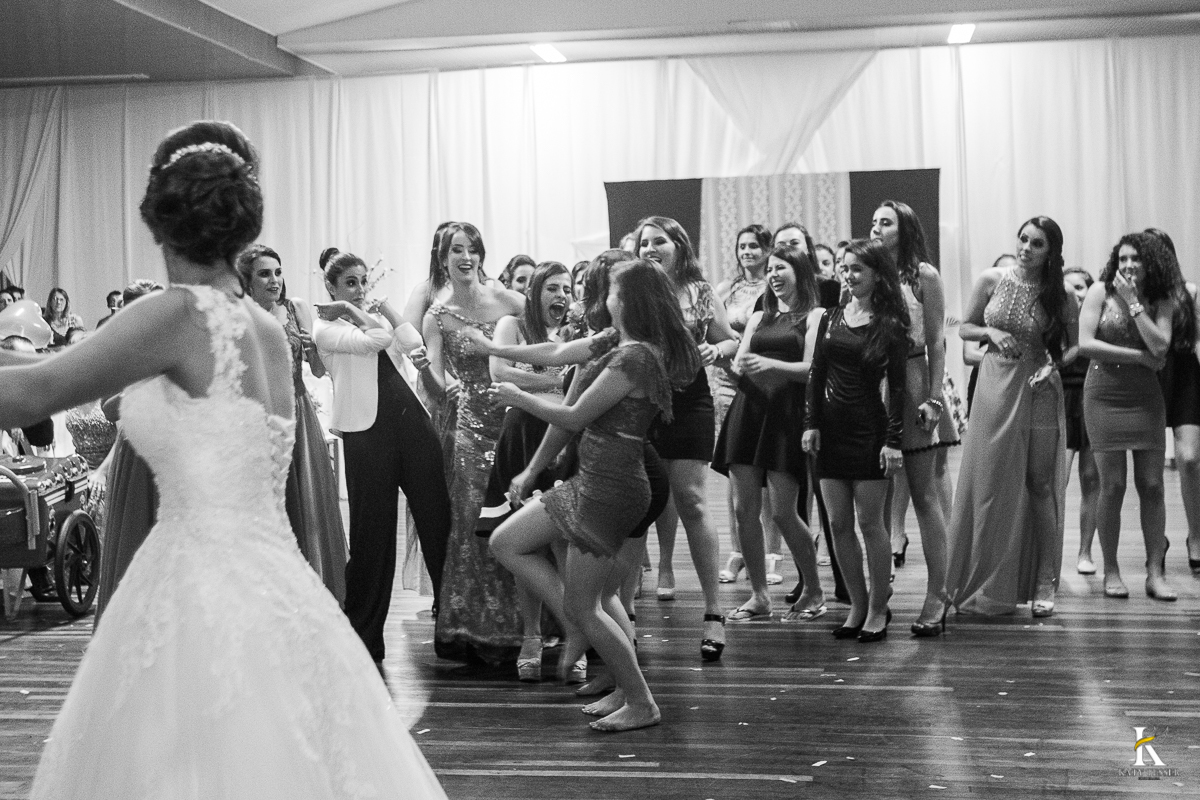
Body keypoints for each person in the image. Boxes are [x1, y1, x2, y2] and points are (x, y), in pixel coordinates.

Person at [4, 120, 447, 798]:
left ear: (159, 219)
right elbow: (45, 364)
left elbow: (35, 389)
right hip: (275, 578)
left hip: (196, 587)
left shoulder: (177, 316)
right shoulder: (261, 325)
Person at [489, 258, 701, 732]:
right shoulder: (618, 343)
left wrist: (518, 397)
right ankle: (612, 671)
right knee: (506, 543)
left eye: (610, 292)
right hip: (594, 482)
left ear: (626, 302)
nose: (602, 298)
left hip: (612, 490)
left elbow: (574, 416)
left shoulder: (637, 357)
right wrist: (491, 347)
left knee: (590, 606)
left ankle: (640, 700)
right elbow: (557, 354)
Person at [314, 246, 453, 666]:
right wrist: (354, 312)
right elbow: (376, 341)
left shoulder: (372, 316)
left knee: (437, 521)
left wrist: (386, 307)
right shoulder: (323, 328)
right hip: (364, 434)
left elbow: (410, 342)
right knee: (372, 538)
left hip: (412, 424)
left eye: (362, 282)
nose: (358, 290)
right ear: (332, 288)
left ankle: (456, 629)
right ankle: (364, 638)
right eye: (349, 284)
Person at [945, 216, 1075, 618]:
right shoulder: (991, 279)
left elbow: (1075, 346)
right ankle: (981, 578)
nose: (1026, 248)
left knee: (1038, 485)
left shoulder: (1062, 293)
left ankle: (1044, 581)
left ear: (1050, 251)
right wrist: (990, 333)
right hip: (994, 384)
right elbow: (964, 327)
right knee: (987, 480)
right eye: (1023, 239)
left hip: (1037, 387)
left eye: (1037, 244)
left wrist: (1053, 367)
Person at [422, 222, 527, 664]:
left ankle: (531, 625)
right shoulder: (437, 314)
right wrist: (441, 381)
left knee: (517, 516)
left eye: (472, 249)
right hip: (468, 427)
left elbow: (540, 339)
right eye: (456, 250)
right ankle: (474, 628)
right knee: (470, 523)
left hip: (513, 420)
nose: (466, 257)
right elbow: (434, 372)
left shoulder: (509, 301)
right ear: (443, 258)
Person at [636, 215, 739, 661]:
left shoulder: (699, 291)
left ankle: (714, 612)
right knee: (638, 501)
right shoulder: (631, 289)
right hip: (641, 404)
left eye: (660, 241)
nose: (651, 249)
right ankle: (625, 614)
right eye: (644, 243)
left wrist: (718, 349)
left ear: (679, 245)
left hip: (692, 402)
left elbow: (731, 340)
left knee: (692, 501)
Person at [713, 244, 826, 621]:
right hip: (748, 410)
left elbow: (813, 368)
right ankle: (759, 595)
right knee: (743, 509)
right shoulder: (759, 316)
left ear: (800, 272)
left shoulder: (814, 316)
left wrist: (769, 362)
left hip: (785, 415)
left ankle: (813, 588)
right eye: (771, 270)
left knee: (782, 512)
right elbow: (743, 364)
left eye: (782, 269)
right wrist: (730, 358)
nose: (774, 275)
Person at [803, 238, 909, 643]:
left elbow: (897, 389)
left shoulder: (890, 323)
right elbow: (815, 373)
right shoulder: (830, 317)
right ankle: (859, 605)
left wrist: (893, 441)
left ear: (877, 274)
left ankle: (880, 608)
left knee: (870, 523)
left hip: (869, 430)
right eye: (845, 268)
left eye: (857, 269)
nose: (848, 275)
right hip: (828, 432)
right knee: (837, 524)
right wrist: (810, 423)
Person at [1079, 232, 1186, 601]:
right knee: (1112, 486)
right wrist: (1139, 358)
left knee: (1152, 485)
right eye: (1122, 259)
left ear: (1150, 264)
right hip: (1104, 394)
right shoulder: (1098, 292)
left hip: (1145, 398)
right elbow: (1086, 344)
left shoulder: (1162, 299)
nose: (1127, 266)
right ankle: (1110, 570)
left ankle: (1155, 572)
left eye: (1135, 260)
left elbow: (1161, 344)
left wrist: (1133, 304)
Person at [238, 244, 347, 603]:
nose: (274, 280)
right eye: (264, 274)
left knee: (307, 508)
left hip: (298, 415)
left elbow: (317, 370)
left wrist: (312, 349)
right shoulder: (240, 315)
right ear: (247, 280)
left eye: (278, 272)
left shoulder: (295, 309)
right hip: (256, 420)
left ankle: (308, 593)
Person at [869, 200, 950, 636]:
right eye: (875, 222)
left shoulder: (924, 275)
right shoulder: (867, 272)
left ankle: (939, 593)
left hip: (915, 379)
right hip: (871, 386)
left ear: (906, 228)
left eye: (887, 222)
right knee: (876, 501)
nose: (877, 228)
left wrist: (934, 398)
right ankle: (878, 598)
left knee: (923, 495)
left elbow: (937, 341)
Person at [93, 279, 164, 625]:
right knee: (136, 541)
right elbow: (107, 409)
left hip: (174, 452)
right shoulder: (121, 350)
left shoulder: (175, 346)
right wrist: (147, 387)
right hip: (137, 454)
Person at [712, 224, 777, 585]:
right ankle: (737, 549)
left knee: (768, 467)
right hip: (727, 383)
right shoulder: (726, 289)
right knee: (733, 468)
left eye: (754, 246)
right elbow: (718, 332)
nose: (747, 252)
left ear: (768, 250)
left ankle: (772, 550)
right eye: (742, 247)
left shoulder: (776, 286)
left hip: (765, 380)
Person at [1145, 228, 1200, 577]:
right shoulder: (1132, 293)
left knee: (1190, 458)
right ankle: (1157, 539)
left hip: (1183, 371)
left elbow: (1194, 340)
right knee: (1148, 468)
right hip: (1147, 372)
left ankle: (1196, 535)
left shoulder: (1188, 291)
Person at [1061, 267, 1101, 575]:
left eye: (1079, 286)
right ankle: (1049, 553)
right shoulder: (1057, 319)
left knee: (1091, 479)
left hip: (1092, 395)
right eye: (1068, 288)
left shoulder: (1097, 321)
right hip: (1059, 397)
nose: (1074, 293)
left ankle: (1085, 552)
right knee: (1054, 481)